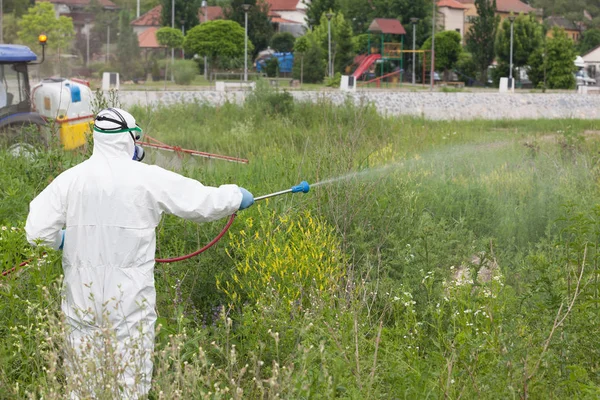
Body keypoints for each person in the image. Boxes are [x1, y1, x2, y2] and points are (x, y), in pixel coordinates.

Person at [24, 108, 254, 398]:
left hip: (82, 302)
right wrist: (235, 196)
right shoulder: (147, 178)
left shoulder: (71, 180)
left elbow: (36, 231)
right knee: (130, 382)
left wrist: (59, 240)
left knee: (83, 384)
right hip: (128, 304)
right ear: (129, 140)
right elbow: (200, 202)